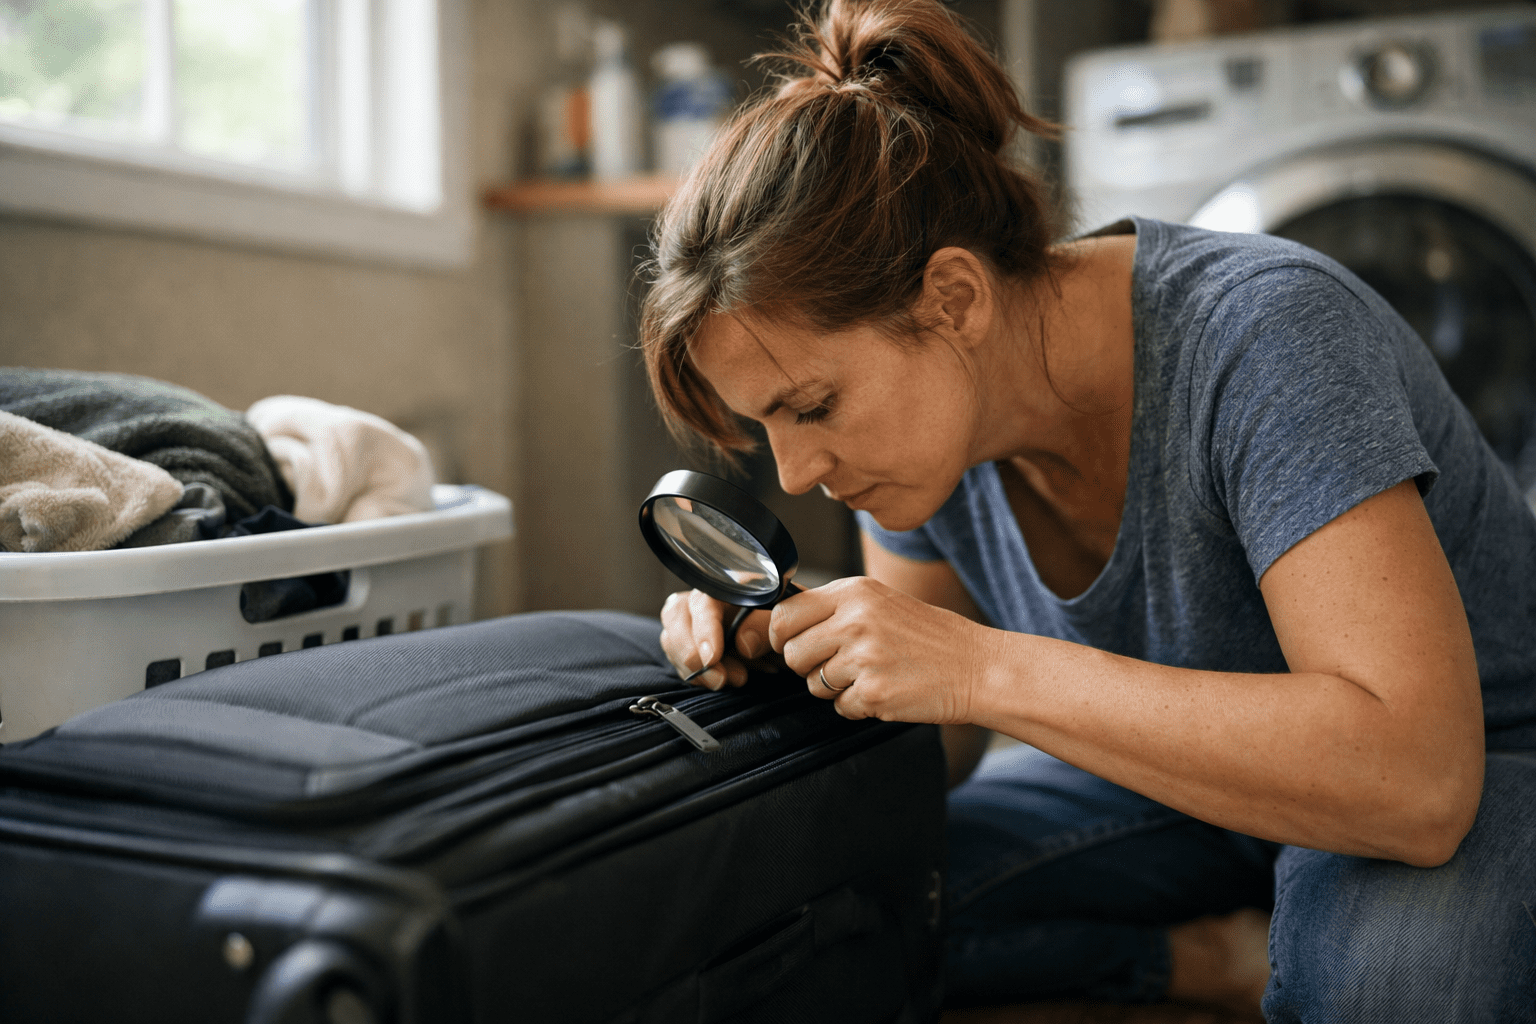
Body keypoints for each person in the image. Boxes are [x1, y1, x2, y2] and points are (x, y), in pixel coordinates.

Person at [640, 1, 1536, 1019]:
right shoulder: (923, 445)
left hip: (1472, 768)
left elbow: (1417, 783)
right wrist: (801, 660)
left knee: (1403, 986)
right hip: (1170, 784)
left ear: (954, 300)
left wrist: (979, 666)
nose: (797, 472)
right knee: (799, 912)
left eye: (813, 407)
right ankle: (1201, 962)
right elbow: (943, 747)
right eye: (767, 426)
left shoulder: (1265, 336)